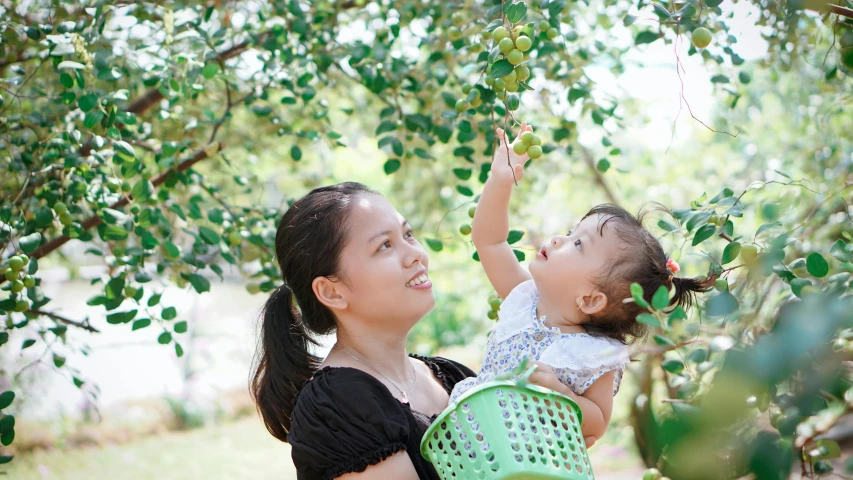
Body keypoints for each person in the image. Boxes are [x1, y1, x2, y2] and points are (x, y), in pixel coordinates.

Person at [448, 123, 715, 447]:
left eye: (577, 244)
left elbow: (597, 423)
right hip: (467, 456)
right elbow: (489, 241)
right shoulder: (525, 301)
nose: (560, 238)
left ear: (590, 300)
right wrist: (500, 180)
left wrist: (560, 394)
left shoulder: (594, 355)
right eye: (571, 232)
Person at [250, 182, 475, 480]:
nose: (416, 254)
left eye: (408, 234)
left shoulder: (453, 377)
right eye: (385, 245)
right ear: (332, 292)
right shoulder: (336, 407)